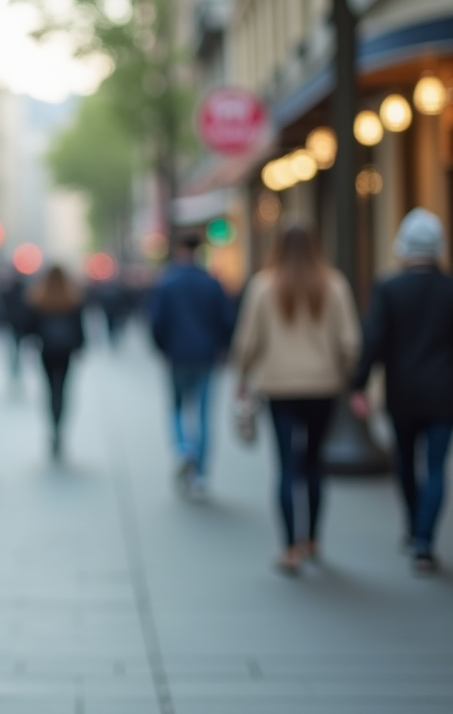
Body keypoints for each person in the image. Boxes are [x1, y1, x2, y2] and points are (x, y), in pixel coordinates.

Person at [231, 224, 360, 575]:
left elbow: (247, 341)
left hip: (279, 387)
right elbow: (350, 342)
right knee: (314, 463)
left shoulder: (262, 285)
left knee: (287, 466)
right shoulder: (334, 285)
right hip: (323, 386)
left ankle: (289, 547)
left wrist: (241, 377)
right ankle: (314, 539)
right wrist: (353, 381)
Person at [349, 208, 453, 574]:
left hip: (403, 393)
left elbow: (374, 340)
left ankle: (414, 529)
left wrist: (358, 384)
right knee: (437, 467)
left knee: (406, 463)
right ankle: (424, 539)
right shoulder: (449, 289)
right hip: (444, 394)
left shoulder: (389, 288)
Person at [147, 232, 233, 498]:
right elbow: (226, 320)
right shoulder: (211, 283)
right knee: (205, 413)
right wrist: (222, 348)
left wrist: (162, 348)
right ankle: (200, 473)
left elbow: (156, 321)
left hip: (177, 355)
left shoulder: (168, 283)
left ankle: (184, 448)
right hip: (206, 355)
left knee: (177, 407)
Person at [27, 265, 85, 459]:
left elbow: (31, 326)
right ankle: (59, 427)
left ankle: (53, 425)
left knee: (51, 388)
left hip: (47, 349)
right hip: (66, 350)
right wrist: (80, 346)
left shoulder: (40, 298)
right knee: (62, 388)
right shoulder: (72, 298)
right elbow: (79, 327)